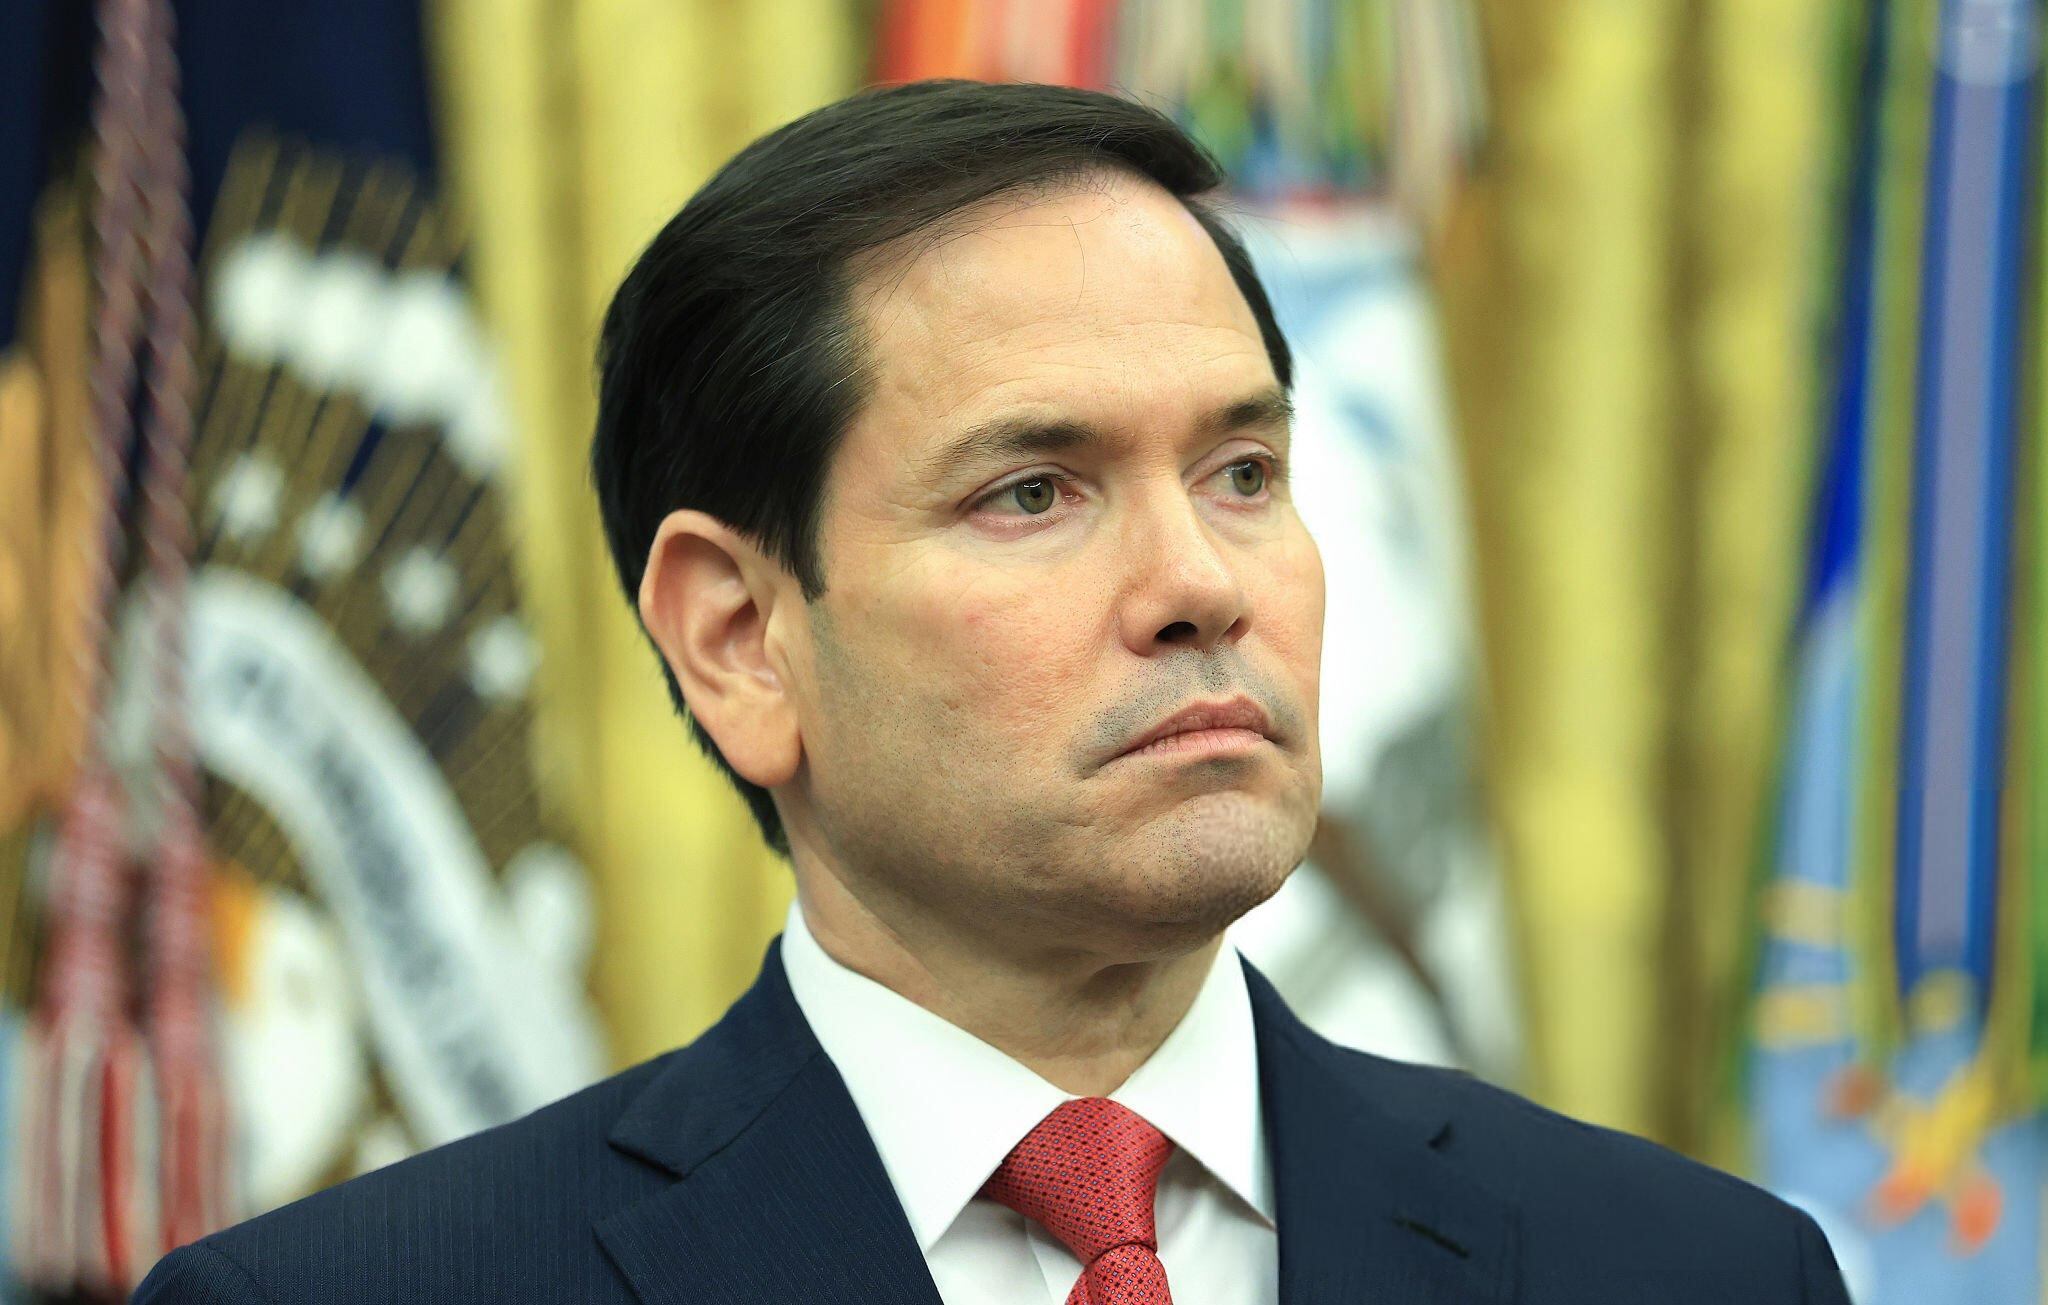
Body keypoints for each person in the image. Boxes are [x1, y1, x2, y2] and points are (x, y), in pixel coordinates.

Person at [137, 79, 1850, 1304]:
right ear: (738, 635)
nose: (1201, 581)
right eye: (1033, 490)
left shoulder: (1696, 1267)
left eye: (1245, 469)